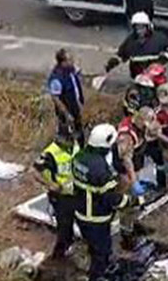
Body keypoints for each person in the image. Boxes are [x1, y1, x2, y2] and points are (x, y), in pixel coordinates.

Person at [73, 124, 141, 280]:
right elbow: (112, 199)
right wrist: (133, 201)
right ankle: (97, 276)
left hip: (80, 212)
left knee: (94, 248)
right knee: (101, 254)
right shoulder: (102, 170)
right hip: (96, 218)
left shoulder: (79, 157)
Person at [34, 129, 79, 261]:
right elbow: (35, 171)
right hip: (61, 196)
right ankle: (59, 254)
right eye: (68, 139)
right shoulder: (50, 153)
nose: (71, 142)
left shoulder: (75, 146)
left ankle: (71, 244)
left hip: (76, 192)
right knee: (64, 225)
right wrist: (50, 184)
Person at [106, 12, 168, 78]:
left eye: (142, 27)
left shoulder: (158, 38)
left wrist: (163, 59)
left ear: (148, 27)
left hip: (155, 72)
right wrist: (111, 64)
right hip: (138, 74)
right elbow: (121, 55)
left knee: (162, 85)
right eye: (137, 27)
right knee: (137, 85)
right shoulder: (130, 41)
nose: (139, 30)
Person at [45, 48, 85, 138]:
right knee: (67, 135)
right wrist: (67, 114)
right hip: (67, 113)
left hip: (75, 108)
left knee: (79, 132)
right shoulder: (57, 79)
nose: (72, 61)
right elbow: (56, 98)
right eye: (69, 59)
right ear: (63, 62)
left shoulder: (70, 70)